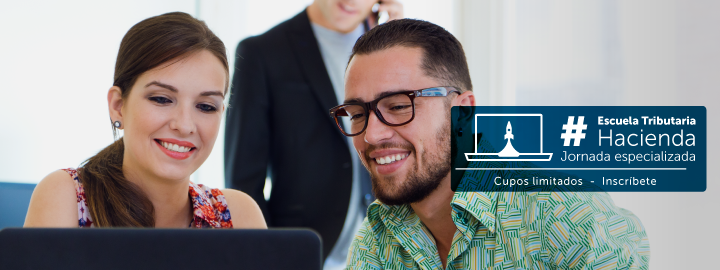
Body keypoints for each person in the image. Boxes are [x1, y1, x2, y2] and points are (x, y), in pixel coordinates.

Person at [333, 19, 650, 269]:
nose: (371, 135)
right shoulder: (375, 239)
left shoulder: (566, 215)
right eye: (358, 114)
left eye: (399, 106)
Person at [24, 12, 266, 229]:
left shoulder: (238, 215)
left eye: (205, 106)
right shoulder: (66, 197)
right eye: (161, 99)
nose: (184, 125)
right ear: (118, 106)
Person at [223, 0, 402, 265]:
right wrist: (265, 257)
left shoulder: (399, 50)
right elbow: (243, 182)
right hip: (303, 251)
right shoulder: (262, 52)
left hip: (384, 251)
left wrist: (398, 39)